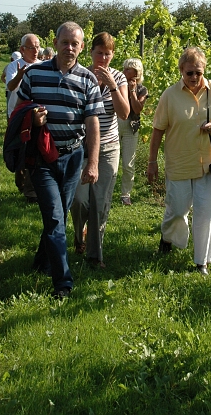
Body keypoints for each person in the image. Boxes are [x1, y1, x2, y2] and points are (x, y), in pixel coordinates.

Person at [16, 21, 104, 298]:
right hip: (42, 158)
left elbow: (92, 123)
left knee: (58, 215)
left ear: (81, 47)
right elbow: (19, 111)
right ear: (54, 43)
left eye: (74, 43)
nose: (69, 48)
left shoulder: (88, 80)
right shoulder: (34, 74)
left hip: (73, 157)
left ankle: (41, 261)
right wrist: (31, 117)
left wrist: (92, 162)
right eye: (64, 42)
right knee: (55, 219)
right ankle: (62, 283)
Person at [147, 47, 211, 276]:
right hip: (180, 161)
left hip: (208, 161)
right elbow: (157, 130)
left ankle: (201, 261)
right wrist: (152, 162)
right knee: (178, 209)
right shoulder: (170, 95)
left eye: (198, 73)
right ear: (181, 70)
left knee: (205, 212)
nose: (194, 78)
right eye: (189, 73)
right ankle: (167, 237)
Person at [71, 32, 129, 267]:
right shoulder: (80, 75)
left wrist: (113, 86)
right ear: (90, 52)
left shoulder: (120, 78)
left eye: (108, 53)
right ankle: (79, 236)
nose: (103, 58)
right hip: (81, 147)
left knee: (100, 202)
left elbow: (124, 113)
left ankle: (95, 256)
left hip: (108, 148)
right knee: (79, 201)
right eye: (99, 53)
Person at [6, 35, 42, 202]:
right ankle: (22, 182)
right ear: (22, 49)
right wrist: (21, 75)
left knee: (34, 149)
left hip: (36, 116)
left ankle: (32, 189)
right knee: (20, 149)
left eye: (38, 47)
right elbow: (10, 87)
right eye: (31, 48)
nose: (36, 51)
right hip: (18, 115)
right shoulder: (14, 66)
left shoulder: (43, 66)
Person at [117, 58, 148, 206]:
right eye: (124, 68)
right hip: (115, 123)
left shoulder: (142, 89)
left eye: (128, 69)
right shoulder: (117, 84)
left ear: (137, 72)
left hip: (131, 126)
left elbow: (137, 109)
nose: (125, 71)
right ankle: (106, 190)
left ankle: (125, 194)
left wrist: (132, 92)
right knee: (111, 160)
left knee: (128, 163)